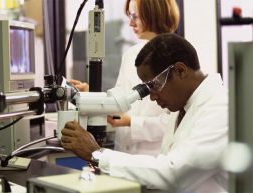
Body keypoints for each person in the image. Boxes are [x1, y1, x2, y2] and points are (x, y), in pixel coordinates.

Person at [61, 33, 228, 193]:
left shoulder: (220, 108)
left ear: (180, 71)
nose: (153, 97)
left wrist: (97, 154)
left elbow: (173, 173)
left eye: (154, 86)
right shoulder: (183, 106)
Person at [69, 0, 180, 155]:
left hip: (155, 156)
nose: (130, 23)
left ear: (154, 14)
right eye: (129, 16)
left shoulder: (179, 58)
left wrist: (132, 123)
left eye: (135, 16)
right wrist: (93, 94)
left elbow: (177, 122)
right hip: (124, 153)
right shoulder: (132, 54)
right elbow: (122, 98)